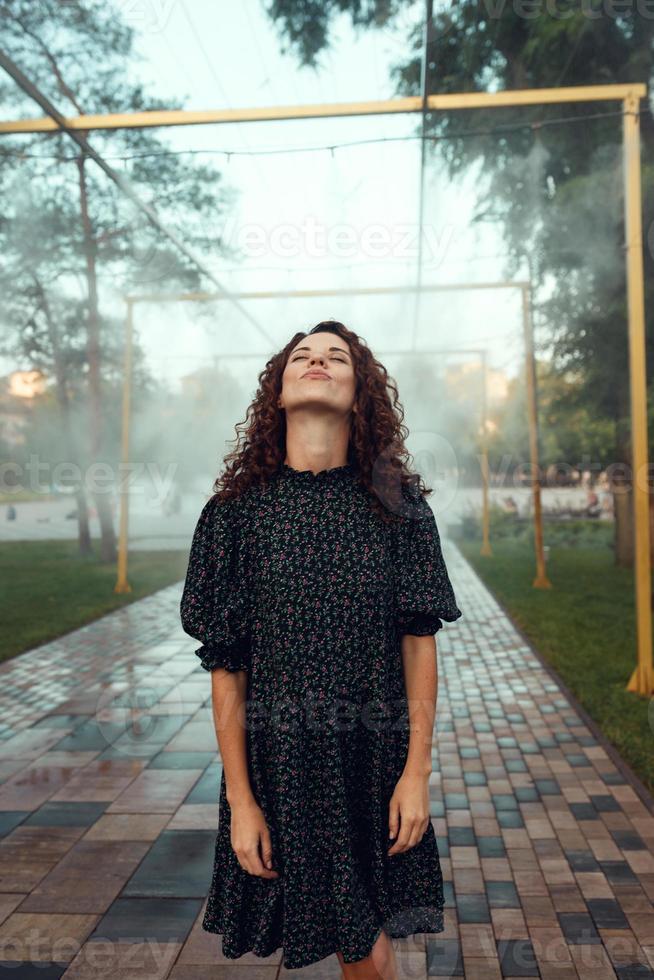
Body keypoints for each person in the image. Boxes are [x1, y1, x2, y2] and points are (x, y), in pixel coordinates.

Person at [180, 320, 463, 978]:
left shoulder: (400, 510)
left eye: (337, 358)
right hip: (285, 767)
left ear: (359, 393)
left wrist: (416, 772)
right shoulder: (235, 516)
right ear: (275, 395)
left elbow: (419, 646)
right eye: (303, 356)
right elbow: (227, 668)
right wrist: (243, 801)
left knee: (356, 936)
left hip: (374, 758)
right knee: (355, 937)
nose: (319, 362)